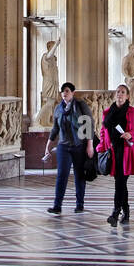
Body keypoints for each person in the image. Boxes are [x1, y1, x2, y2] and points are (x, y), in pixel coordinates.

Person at [43, 82, 95, 214]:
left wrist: (90, 144)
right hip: (64, 146)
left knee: (79, 175)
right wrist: (48, 145)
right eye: (62, 92)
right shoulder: (58, 109)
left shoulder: (80, 105)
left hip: (79, 145)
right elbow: (55, 128)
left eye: (67, 91)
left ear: (72, 92)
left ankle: (79, 204)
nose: (64, 94)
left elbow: (89, 124)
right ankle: (57, 205)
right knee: (62, 175)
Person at [99, 84, 134, 225]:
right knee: (120, 183)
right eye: (118, 92)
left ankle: (115, 213)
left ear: (128, 96)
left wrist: (131, 134)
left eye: (123, 92)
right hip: (112, 151)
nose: (119, 94)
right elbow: (103, 132)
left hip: (127, 152)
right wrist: (100, 148)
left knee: (120, 181)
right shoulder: (107, 112)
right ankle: (126, 211)